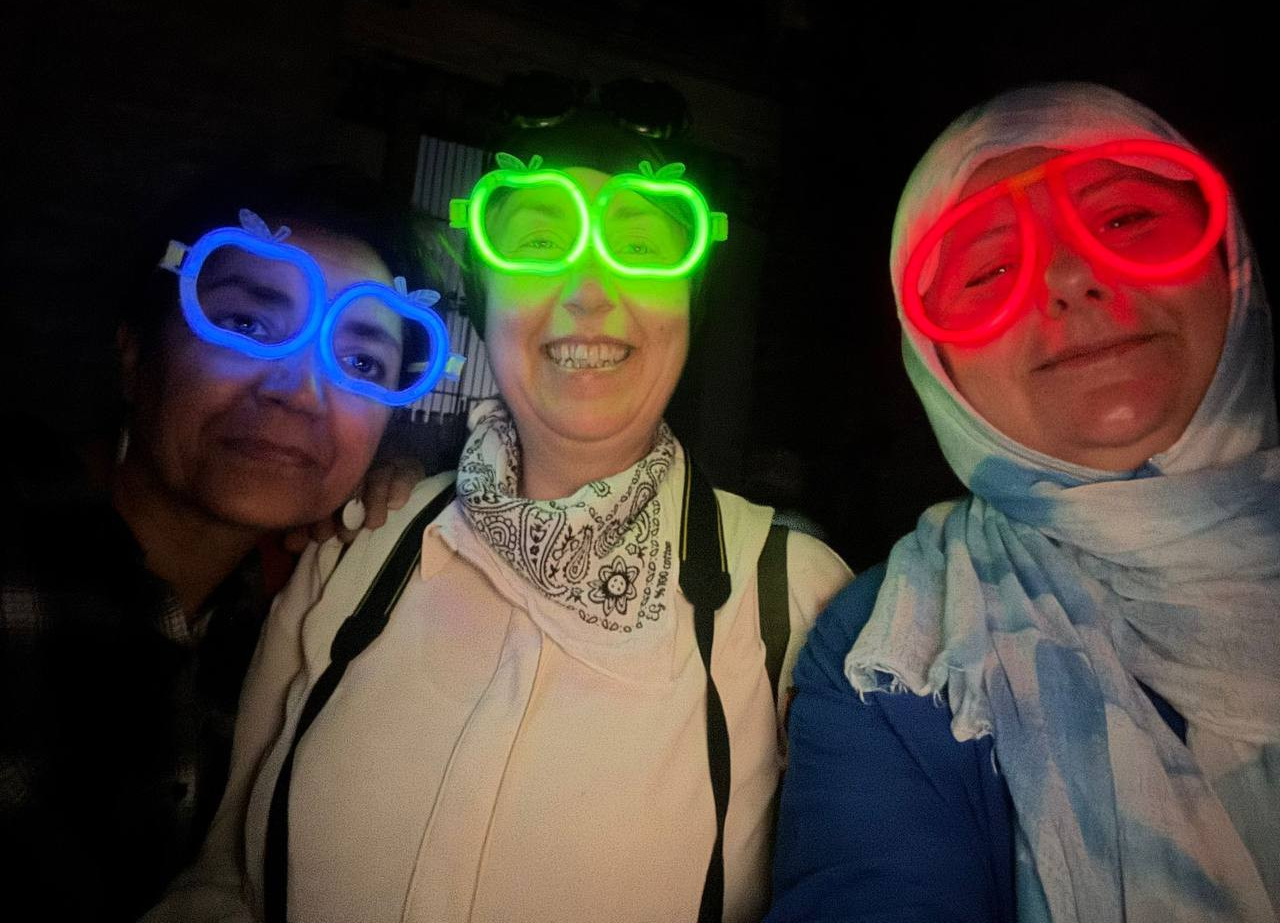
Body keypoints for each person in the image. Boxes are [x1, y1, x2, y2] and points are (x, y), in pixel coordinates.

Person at [146, 114, 851, 923]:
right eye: (540, 243)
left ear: (688, 310)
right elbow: (225, 881)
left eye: (641, 246)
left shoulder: (793, 602)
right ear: (486, 307)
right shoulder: (356, 550)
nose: (588, 292)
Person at [768, 82, 1279, 923]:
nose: (1073, 275)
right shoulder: (893, 656)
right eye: (991, 270)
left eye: (1127, 220)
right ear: (937, 367)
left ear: (1230, 263)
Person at [0, 169, 453, 922]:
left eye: (361, 364)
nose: (299, 391)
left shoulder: (300, 620)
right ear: (134, 352)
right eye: (247, 324)